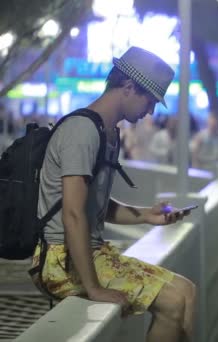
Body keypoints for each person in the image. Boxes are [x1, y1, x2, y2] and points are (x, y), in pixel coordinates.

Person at [30, 47, 197, 342]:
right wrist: (94, 289)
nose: (151, 111)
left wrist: (146, 214)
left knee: (187, 292)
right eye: (150, 100)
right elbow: (72, 213)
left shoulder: (107, 131)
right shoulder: (82, 130)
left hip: (91, 253)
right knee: (173, 303)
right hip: (61, 260)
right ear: (129, 87)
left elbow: (93, 207)